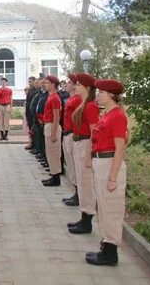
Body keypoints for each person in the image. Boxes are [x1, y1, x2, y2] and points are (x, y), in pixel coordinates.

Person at [85, 79, 127, 266]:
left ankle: (110, 253)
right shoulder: (108, 113)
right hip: (101, 161)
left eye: (101, 92)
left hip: (110, 163)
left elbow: (120, 148)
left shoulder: (117, 115)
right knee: (104, 207)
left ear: (111, 95)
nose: (98, 95)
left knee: (111, 209)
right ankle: (107, 246)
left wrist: (112, 177)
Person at [68, 73, 99, 234]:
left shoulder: (91, 106)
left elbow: (94, 132)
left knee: (86, 183)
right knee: (82, 181)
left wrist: (89, 155)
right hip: (80, 142)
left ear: (87, 88)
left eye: (79, 85)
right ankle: (83, 217)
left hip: (86, 144)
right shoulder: (84, 104)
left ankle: (87, 221)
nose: (76, 86)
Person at [61, 74, 81, 207]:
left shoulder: (77, 100)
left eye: (69, 83)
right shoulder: (71, 99)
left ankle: (78, 195)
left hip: (72, 134)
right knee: (71, 166)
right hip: (67, 133)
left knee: (75, 166)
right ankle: (76, 192)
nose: (66, 85)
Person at [41, 75, 62, 187]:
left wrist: (54, 134)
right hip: (48, 125)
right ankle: (53, 175)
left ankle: (56, 177)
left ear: (53, 85)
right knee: (50, 153)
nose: (45, 84)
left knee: (54, 153)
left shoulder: (54, 98)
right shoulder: (51, 96)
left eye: (48, 83)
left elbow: (56, 117)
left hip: (52, 126)